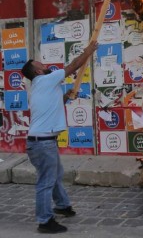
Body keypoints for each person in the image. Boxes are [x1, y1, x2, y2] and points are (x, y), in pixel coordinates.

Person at [21, 41, 98, 234]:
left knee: (54, 175)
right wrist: (88, 52)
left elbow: (52, 104)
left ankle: (63, 205)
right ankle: (44, 221)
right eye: (40, 64)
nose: (44, 65)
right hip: (42, 143)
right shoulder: (46, 80)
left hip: (41, 142)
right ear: (37, 72)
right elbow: (73, 66)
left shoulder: (40, 86)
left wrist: (66, 97)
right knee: (46, 181)